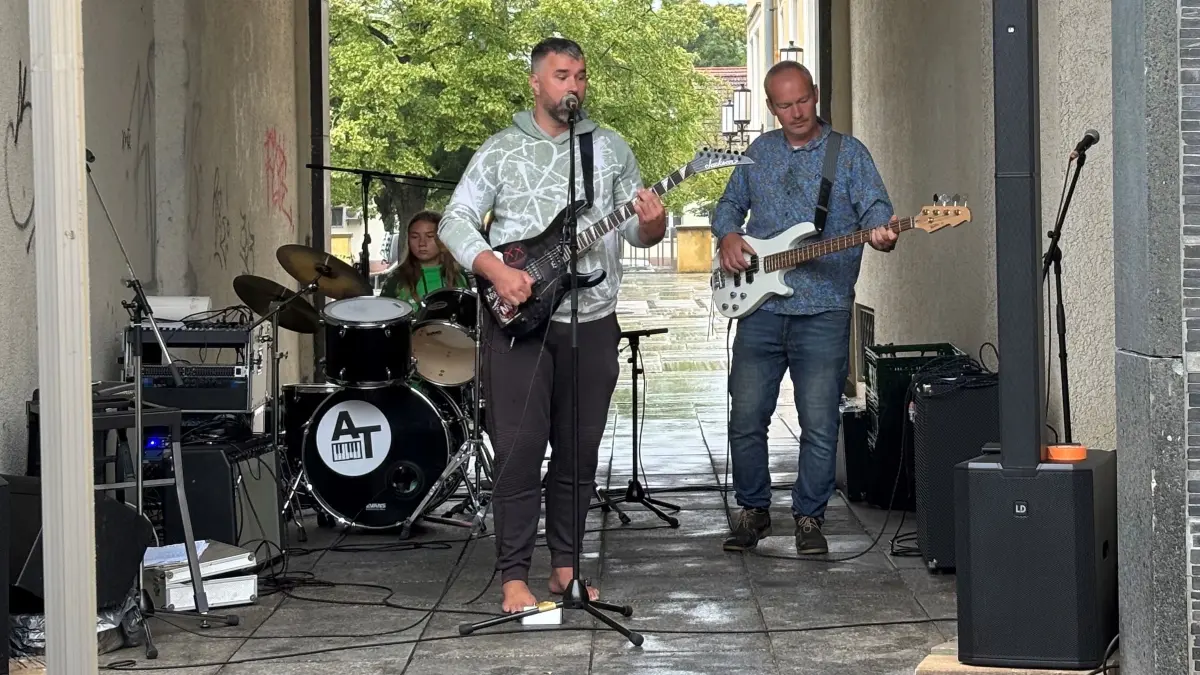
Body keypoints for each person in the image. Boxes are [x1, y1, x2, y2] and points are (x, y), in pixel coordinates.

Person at [437, 36, 667, 613]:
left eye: (581, 76)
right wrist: (493, 270)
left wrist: (655, 225)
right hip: (519, 324)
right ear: (537, 84)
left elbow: (635, 232)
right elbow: (455, 219)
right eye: (562, 75)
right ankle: (513, 574)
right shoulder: (500, 149)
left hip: (591, 319)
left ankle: (565, 569)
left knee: (578, 452)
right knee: (517, 449)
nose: (574, 85)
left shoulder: (610, 149)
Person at [711, 61, 898, 555]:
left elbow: (876, 208)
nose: (796, 112)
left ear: (816, 95)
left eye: (803, 100)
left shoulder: (849, 154)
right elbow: (728, 206)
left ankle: (809, 519)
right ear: (771, 108)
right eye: (784, 104)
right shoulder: (759, 153)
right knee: (746, 416)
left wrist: (882, 232)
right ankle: (753, 510)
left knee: (819, 422)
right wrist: (729, 235)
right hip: (760, 309)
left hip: (825, 307)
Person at [379, 210, 469, 309]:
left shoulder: (459, 276)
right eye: (415, 237)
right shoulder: (396, 279)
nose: (422, 243)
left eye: (430, 236)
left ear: (442, 239)